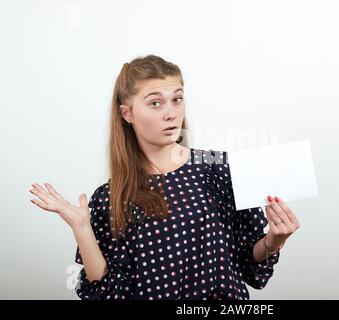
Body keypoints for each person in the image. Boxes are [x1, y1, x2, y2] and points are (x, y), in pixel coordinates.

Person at [29, 54, 301, 300]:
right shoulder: (111, 196)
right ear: (127, 114)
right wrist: (82, 228)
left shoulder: (220, 167)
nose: (171, 113)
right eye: (155, 103)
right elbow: (108, 293)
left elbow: (248, 266)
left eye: (177, 99)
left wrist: (274, 240)